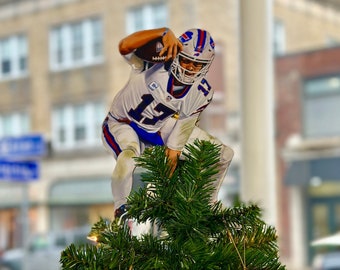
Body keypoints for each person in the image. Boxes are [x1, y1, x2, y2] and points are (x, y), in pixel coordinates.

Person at [102, 27, 234, 219]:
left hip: (158, 126)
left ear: (205, 66)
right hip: (123, 123)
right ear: (176, 54)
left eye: (197, 64)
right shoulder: (151, 64)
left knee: (224, 154)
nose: (189, 68)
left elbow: (173, 150)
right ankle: (121, 210)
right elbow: (124, 47)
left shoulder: (200, 93)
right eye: (186, 60)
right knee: (128, 157)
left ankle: (207, 206)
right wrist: (162, 33)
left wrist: (165, 190)